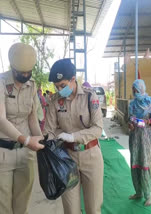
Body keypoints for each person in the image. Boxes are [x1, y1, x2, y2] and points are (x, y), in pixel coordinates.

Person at [0, 43, 44, 214]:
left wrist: (41, 140)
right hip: (1, 152)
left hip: (25, 154)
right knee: (3, 207)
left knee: (22, 206)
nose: (25, 75)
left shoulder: (32, 86)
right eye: (21, 72)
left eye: (29, 72)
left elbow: (32, 118)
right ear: (12, 67)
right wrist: (26, 140)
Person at [44, 59, 104, 214]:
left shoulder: (90, 97)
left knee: (93, 208)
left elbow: (97, 129)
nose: (59, 89)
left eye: (63, 85)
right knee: (71, 210)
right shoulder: (55, 102)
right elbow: (49, 131)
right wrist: (48, 140)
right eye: (56, 86)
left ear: (73, 79)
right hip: (66, 159)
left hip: (91, 156)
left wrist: (73, 136)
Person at [128, 79, 151, 206]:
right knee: (135, 164)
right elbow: (129, 118)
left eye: (136, 90)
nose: (135, 92)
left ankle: (148, 196)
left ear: (142, 89)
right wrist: (130, 124)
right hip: (134, 138)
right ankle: (138, 192)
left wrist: (148, 122)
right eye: (133, 90)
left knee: (145, 165)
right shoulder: (132, 104)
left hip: (146, 138)